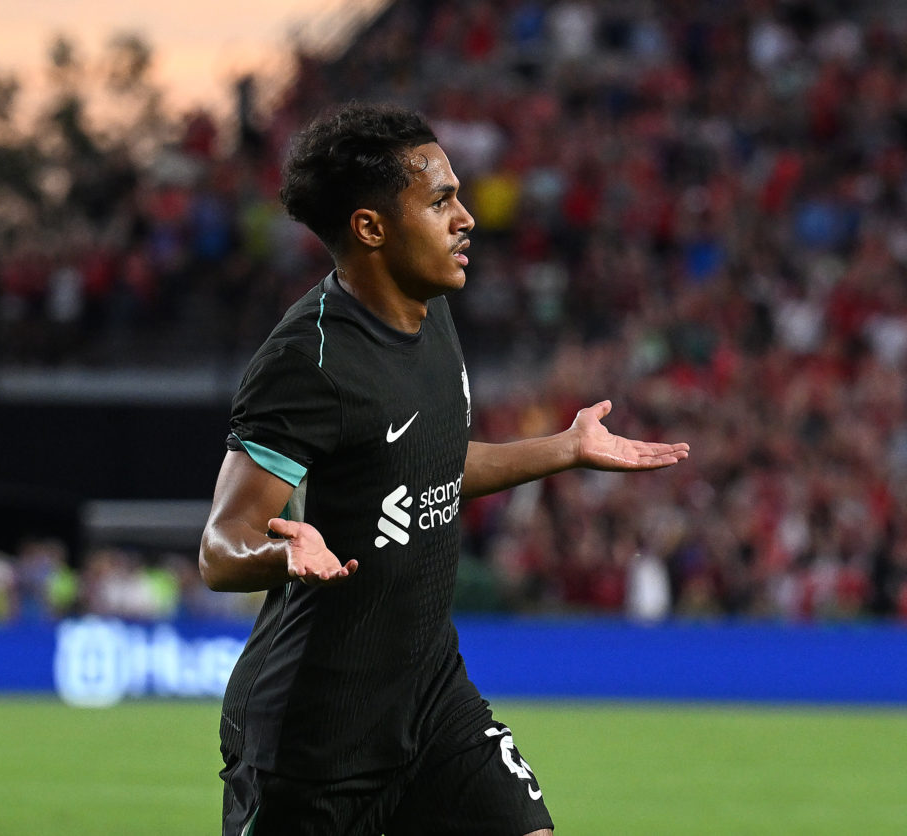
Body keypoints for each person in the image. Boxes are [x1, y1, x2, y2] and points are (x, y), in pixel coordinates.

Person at [199, 101, 689, 836]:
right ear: (371, 228)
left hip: (431, 695)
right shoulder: (308, 361)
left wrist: (565, 448)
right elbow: (219, 546)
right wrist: (282, 552)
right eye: (440, 200)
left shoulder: (434, 313)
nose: (466, 217)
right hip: (316, 736)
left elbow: (427, 467)